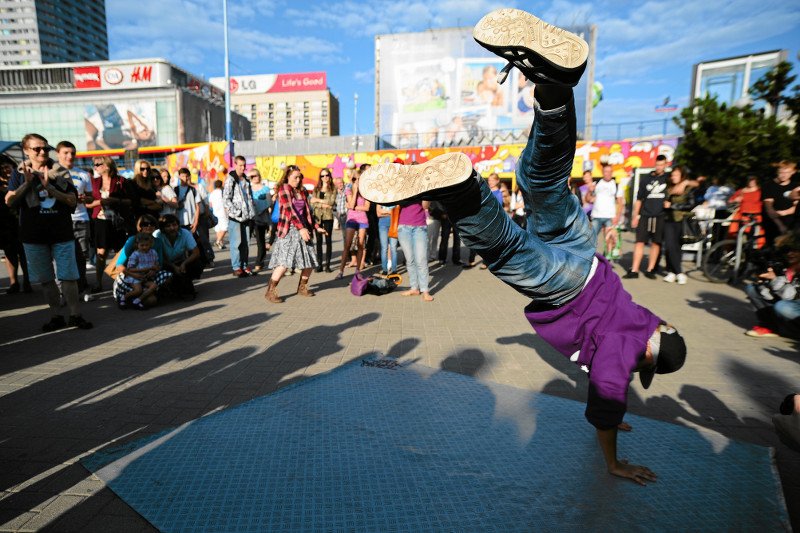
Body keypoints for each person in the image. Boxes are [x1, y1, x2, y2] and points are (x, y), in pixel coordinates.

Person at [360, 7, 686, 485]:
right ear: (650, 358)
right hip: (567, 285)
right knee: (507, 248)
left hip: (587, 255)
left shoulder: (643, 319)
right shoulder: (626, 349)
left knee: (543, 182)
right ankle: (461, 191)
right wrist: (613, 450)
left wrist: (618, 410)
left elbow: (629, 365)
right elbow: (606, 395)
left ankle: (554, 90)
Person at [5, 134, 92, 331]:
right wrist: (27, 184)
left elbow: (72, 200)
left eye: (45, 148)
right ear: (26, 151)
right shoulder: (19, 173)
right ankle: (56, 316)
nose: (43, 152)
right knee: (46, 279)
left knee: (68, 276)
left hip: (61, 233)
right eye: (37, 149)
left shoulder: (60, 172)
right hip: (33, 236)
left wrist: (50, 188)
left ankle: (75, 315)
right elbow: (9, 201)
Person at [264, 166, 327, 303]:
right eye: (295, 177)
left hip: (303, 228)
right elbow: (290, 211)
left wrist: (316, 227)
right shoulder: (284, 188)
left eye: (300, 177)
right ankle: (270, 291)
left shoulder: (302, 191)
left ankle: (302, 287)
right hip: (289, 229)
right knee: (284, 262)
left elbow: (307, 213)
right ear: (287, 177)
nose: (298, 180)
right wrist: (301, 229)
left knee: (310, 261)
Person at [744, 229, 800, 339]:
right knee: (752, 289)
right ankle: (770, 327)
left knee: (783, 306)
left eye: (795, 250)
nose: (790, 254)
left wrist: (774, 280)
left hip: (795, 303)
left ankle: (793, 332)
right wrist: (764, 284)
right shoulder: (783, 265)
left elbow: (791, 296)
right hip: (788, 300)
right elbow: (774, 293)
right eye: (787, 250)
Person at [86, 155, 130, 294]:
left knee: (119, 252)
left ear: (107, 165)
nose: (95, 167)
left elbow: (130, 201)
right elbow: (88, 204)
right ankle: (98, 282)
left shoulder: (121, 181)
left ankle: (120, 280)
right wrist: (101, 202)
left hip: (118, 220)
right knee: (101, 252)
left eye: (98, 164)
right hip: (100, 220)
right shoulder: (94, 182)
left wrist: (114, 200)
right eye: (94, 164)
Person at [112, 214, 172, 309]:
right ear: (140, 226)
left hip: (148, 276)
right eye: (145, 224)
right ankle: (128, 298)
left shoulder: (158, 242)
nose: (149, 226)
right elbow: (119, 265)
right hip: (131, 276)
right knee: (150, 300)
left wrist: (154, 271)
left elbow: (159, 263)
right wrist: (134, 275)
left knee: (168, 276)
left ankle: (141, 298)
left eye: (151, 223)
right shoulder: (132, 240)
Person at [54, 141, 92, 296]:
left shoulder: (83, 174)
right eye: (66, 153)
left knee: (82, 256)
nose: (70, 156)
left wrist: (84, 199)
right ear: (58, 154)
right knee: (61, 256)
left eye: (73, 153)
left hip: (81, 218)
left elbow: (91, 199)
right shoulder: (51, 173)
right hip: (60, 220)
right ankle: (62, 291)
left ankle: (81, 287)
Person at [625, 154, 669, 279]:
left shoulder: (668, 179)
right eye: (657, 164)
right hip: (645, 215)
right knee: (639, 242)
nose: (659, 167)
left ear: (666, 165)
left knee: (656, 243)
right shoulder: (646, 179)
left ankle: (650, 270)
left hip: (660, 216)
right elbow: (639, 199)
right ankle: (634, 270)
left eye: (662, 165)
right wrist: (635, 216)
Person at [0, 160, 31, 294]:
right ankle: (14, 282)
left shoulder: (17, 181)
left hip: (22, 221)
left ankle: (27, 281)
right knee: (9, 252)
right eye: (4, 168)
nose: (8, 170)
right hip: (4, 223)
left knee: (24, 252)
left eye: (9, 168)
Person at [396, 194, 434, 301]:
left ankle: (425, 290)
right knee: (410, 260)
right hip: (403, 227)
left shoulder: (422, 185)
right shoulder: (403, 185)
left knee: (421, 260)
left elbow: (425, 206)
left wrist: (425, 193)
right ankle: (414, 288)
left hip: (419, 227)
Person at [661, 166, 695, 284]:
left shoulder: (687, 188)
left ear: (682, 176)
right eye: (673, 175)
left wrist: (672, 206)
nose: (673, 177)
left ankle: (675, 272)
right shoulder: (669, 187)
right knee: (670, 246)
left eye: (676, 175)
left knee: (676, 247)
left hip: (681, 220)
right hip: (668, 220)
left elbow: (691, 205)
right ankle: (677, 272)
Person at [154, 213, 202, 298]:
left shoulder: (185, 233)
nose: (172, 228)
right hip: (164, 264)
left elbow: (196, 252)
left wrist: (184, 264)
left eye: (174, 225)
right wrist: (173, 267)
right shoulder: (157, 235)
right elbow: (157, 257)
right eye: (168, 226)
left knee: (197, 263)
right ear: (162, 228)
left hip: (181, 262)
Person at [223, 156, 256, 277]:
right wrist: (236, 212)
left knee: (246, 243)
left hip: (247, 217)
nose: (242, 167)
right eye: (240, 165)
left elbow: (250, 197)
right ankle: (236, 267)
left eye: (244, 165)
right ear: (235, 165)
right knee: (236, 243)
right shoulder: (230, 180)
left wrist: (251, 211)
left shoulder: (246, 180)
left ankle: (244, 265)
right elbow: (226, 199)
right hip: (235, 218)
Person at [335, 167, 370, 279]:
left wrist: (355, 207)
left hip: (362, 220)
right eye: (355, 179)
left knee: (360, 245)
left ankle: (358, 271)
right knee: (347, 245)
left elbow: (367, 208)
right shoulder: (349, 190)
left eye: (359, 179)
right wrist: (355, 192)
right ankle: (341, 271)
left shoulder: (366, 192)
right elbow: (350, 204)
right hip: (352, 219)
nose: (357, 181)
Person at [119, 232, 160, 310]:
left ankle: (138, 300)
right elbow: (130, 269)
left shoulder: (153, 252)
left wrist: (155, 268)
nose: (144, 247)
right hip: (135, 277)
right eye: (142, 245)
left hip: (146, 277)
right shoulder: (135, 254)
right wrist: (148, 269)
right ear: (137, 245)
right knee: (138, 290)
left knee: (154, 285)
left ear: (150, 244)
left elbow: (157, 264)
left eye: (146, 245)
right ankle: (123, 297)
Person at [762, 161, 797, 247]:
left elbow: (796, 206)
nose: (784, 175)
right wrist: (780, 226)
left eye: (787, 172)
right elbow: (769, 209)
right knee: (774, 247)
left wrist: (783, 213)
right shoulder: (768, 185)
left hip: (791, 223)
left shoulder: (795, 186)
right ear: (777, 172)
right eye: (781, 172)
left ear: (793, 172)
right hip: (773, 223)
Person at [590, 164, 624, 255]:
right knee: (590, 238)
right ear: (602, 172)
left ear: (612, 172)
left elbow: (620, 203)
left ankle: (607, 260)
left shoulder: (616, 185)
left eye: (610, 171)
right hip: (596, 215)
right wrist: (590, 191)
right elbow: (589, 199)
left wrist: (617, 216)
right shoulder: (596, 183)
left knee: (609, 240)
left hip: (610, 216)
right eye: (606, 171)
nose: (608, 173)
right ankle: (590, 258)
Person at [310, 168, 336, 272]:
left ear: (330, 176)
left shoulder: (333, 188)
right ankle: (319, 264)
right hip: (317, 217)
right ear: (320, 177)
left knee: (328, 240)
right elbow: (312, 202)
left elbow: (331, 202)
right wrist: (323, 203)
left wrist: (318, 201)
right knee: (319, 241)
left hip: (328, 217)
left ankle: (328, 265)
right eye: (322, 176)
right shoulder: (316, 188)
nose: (325, 177)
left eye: (327, 175)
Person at [249, 169, 272, 273]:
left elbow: (269, 202)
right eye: (252, 176)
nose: (255, 177)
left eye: (256, 175)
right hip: (249, 218)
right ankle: (243, 264)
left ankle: (259, 263)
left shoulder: (265, 188)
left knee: (260, 241)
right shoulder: (248, 189)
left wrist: (259, 209)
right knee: (245, 241)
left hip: (261, 218)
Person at [376, 203, 399, 275]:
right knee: (384, 248)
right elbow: (378, 214)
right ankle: (384, 270)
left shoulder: (395, 199)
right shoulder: (379, 199)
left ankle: (394, 270)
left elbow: (397, 211)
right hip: (383, 225)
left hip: (393, 224)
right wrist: (390, 212)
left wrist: (384, 211)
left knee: (393, 248)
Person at [208, 179, 228, 250]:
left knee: (218, 228)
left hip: (215, 212)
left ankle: (220, 244)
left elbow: (210, 205)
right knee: (225, 227)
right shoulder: (222, 192)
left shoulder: (212, 193)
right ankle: (218, 241)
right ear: (221, 185)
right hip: (222, 212)